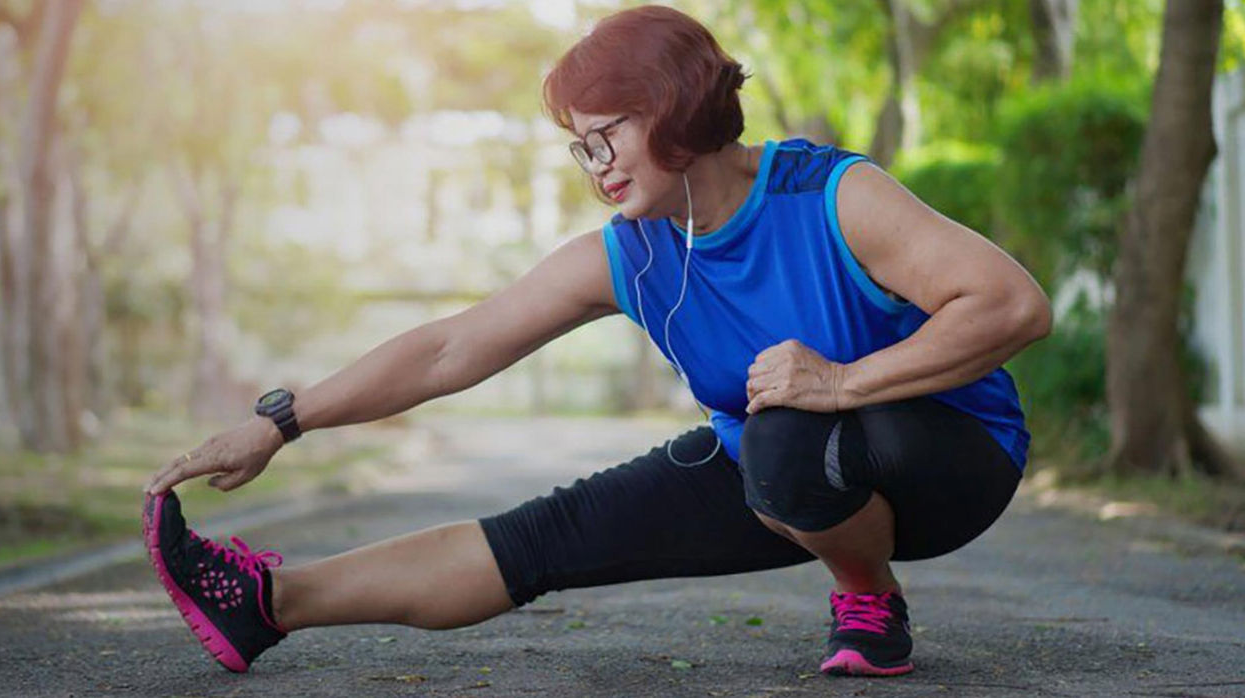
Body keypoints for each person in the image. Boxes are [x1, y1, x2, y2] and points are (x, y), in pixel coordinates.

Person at [143, 4, 1051, 678]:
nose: (598, 165)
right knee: (547, 536)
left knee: (778, 435)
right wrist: (280, 422)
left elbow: (1011, 305)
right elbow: (450, 349)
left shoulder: (830, 197)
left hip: (949, 458)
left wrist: (844, 381)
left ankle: (869, 600)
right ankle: (268, 602)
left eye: (608, 134)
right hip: (788, 471)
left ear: (675, 105)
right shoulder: (632, 255)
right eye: (582, 147)